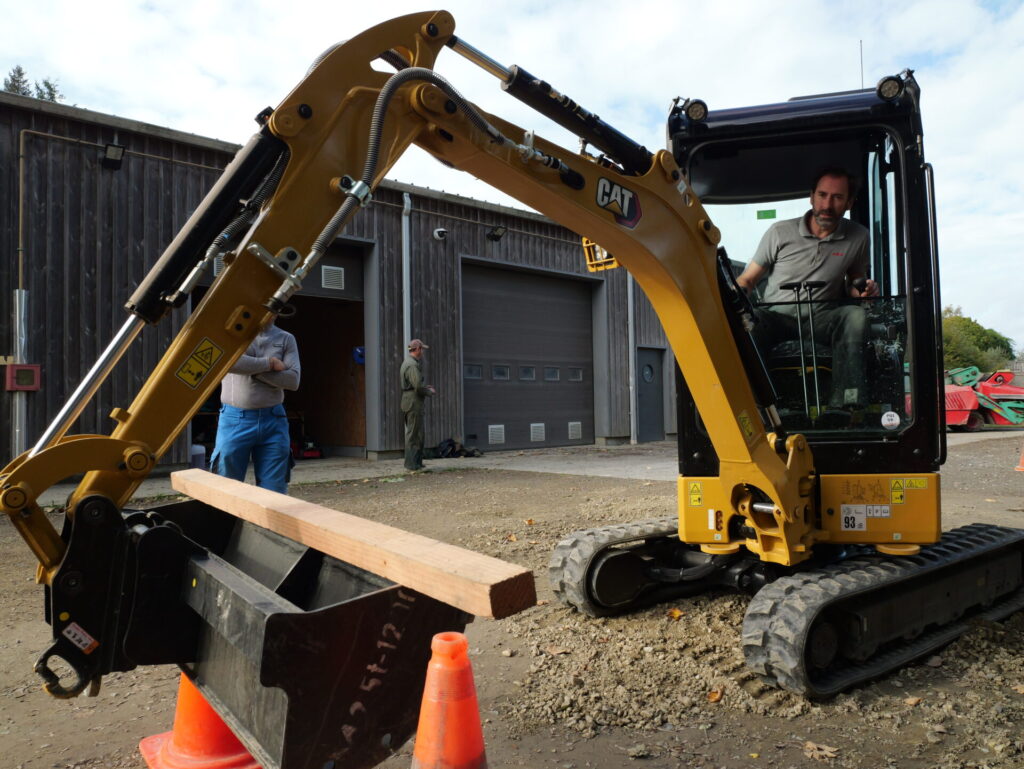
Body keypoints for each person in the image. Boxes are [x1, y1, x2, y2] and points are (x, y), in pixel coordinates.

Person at [736, 167, 879, 411]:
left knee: (855, 316)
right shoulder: (779, 232)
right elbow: (748, 280)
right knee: (750, 322)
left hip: (821, 319)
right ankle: (755, 407)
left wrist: (863, 291)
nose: (827, 204)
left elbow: (855, 280)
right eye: (822, 195)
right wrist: (731, 299)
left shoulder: (858, 236)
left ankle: (846, 406)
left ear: (849, 202)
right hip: (776, 317)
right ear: (811, 197)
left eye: (837, 197)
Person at [210, 318, 300, 493]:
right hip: (235, 420)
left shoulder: (285, 338)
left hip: (274, 420)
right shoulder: (232, 333)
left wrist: (252, 371)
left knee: (275, 493)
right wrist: (270, 364)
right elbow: (227, 362)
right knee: (227, 488)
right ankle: (229, 521)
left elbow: (293, 380)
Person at [400, 339, 435, 471]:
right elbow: (418, 387)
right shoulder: (412, 365)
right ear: (418, 349)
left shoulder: (410, 363)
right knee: (413, 434)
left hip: (411, 400)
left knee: (418, 433)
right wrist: (429, 391)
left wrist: (424, 387)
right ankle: (411, 464)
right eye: (422, 349)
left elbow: (415, 384)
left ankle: (417, 463)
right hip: (413, 402)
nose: (423, 352)